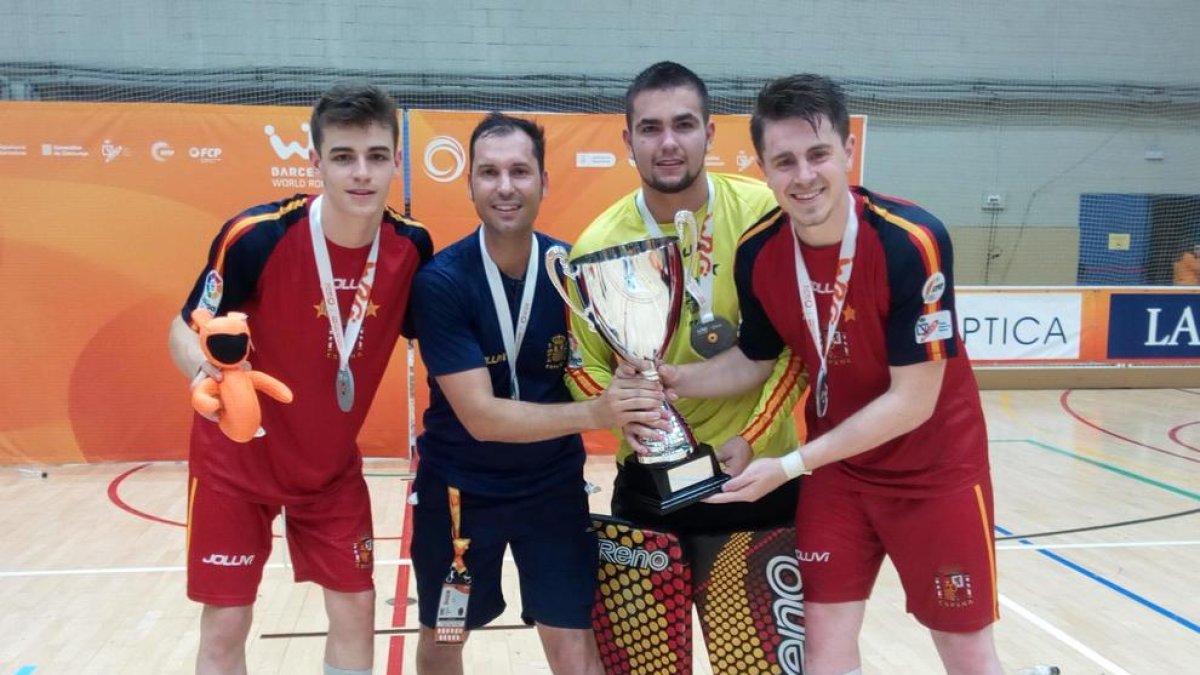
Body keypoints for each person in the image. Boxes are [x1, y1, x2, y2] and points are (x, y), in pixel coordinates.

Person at [663, 74, 1003, 675]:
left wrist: (790, 465)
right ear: (763, 169)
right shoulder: (758, 253)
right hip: (839, 475)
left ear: (848, 150)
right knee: (822, 649)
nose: (804, 176)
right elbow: (754, 360)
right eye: (784, 161)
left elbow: (911, 403)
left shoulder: (910, 242)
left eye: (819, 154)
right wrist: (672, 381)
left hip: (935, 472)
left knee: (965, 651)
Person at [168, 83, 432, 675]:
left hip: (329, 470)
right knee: (227, 623)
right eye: (343, 157)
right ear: (315, 163)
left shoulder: (411, 248)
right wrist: (204, 372)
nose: (361, 174)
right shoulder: (256, 236)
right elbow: (185, 327)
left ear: (396, 160)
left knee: (356, 611)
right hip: (235, 466)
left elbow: (441, 346)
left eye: (376, 156)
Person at [408, 112, 663, 675]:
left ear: (544, 182)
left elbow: (616, 365)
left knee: (574, 644)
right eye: (490, 172)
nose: (505, 187)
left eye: (520, 171)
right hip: (459, 499)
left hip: (551, 491)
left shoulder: (573, 273)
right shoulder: (442, 283)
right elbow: (480, 416)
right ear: (469, 181)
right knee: (445, 635)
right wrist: (598, 412)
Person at [565, 61, 806, 536]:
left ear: (710, 133)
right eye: (650, 128)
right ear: (627, 141)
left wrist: (754, 435)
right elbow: (583, 364)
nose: (668, 143)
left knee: (754, 617)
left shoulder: (767, 215)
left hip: (757, 470)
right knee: (651, 616)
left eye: (684, 125)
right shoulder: (596, 247)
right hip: (650, 481)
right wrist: (634, 425)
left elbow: (795, 346)